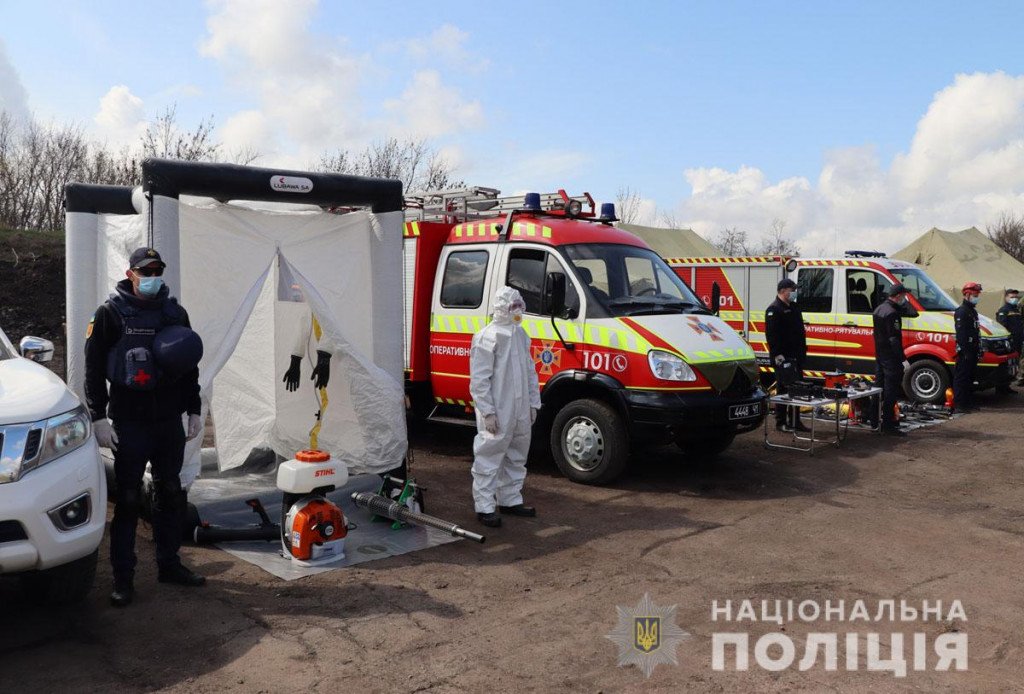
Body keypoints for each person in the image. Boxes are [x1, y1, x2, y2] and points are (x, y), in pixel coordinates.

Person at [85, 247, 206, 607]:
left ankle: (169, 565)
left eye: (157, 270)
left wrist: (195, 410)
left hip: (168, 419)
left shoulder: (174, 312)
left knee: (171, 492)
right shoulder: (110, 314)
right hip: (130, 420)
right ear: (131, 273)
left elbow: (189, 365)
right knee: (128, 498)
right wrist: (98, 416)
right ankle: (123, 578)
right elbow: (92, 367)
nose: (153, 276)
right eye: (146, 270)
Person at [468, 286, 541, 528]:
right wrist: (487, 411)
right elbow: (479, 380)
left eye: (520, 305)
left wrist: (533, 402)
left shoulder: (520, 335)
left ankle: (510, 499)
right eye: (514, 306)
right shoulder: (487, 337)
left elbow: (530, 371)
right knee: (489, 456)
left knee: (517, 455)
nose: (518, 310)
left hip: (519, 409)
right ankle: (485, 506)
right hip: (499, 408)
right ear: (502, 308)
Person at [765, 278, 808, 432]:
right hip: (783, 358)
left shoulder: (795, 307)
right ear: (783, 291)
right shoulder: (774, 309)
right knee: (783, 390)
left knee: (797, 390)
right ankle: (781, 422)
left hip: (797, 357)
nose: (794, 292)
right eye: (792, 289)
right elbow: (772, 336)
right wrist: (778, 356)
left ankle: (796, 421)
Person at [871, 284, 914, 436]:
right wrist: (903, 359)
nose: (905, 299)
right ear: (898, 296)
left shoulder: (879, 309)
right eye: (904, 296)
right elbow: (894, 339)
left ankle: (874, 420)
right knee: (890, 390)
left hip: (879, 354)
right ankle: (888, 424)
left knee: (878, 388)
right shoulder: (892, 313)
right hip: (890, 357)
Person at [953, 282, 983, 413]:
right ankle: (959, 404)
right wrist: (965, 351)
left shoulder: (972, 311)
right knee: (962, 378)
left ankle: (968, 402)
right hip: (965, 351)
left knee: (970, 377)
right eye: (975, 295)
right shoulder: (962, 311)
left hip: (973, 349)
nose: (977, 297)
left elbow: (976, 331)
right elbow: (961, 334)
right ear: (967, 295)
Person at [995, 288, 1022, 394]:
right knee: (1006, 365)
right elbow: (1002, 327)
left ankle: (1006, 386)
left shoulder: (1016, 310)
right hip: (1009, 343)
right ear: (1006, 298)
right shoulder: (1004, 310)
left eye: (1016, 297)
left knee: (1013, 366)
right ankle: (1000, 387)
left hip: (1018, 342)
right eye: (1012, 297)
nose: (1014, 299)